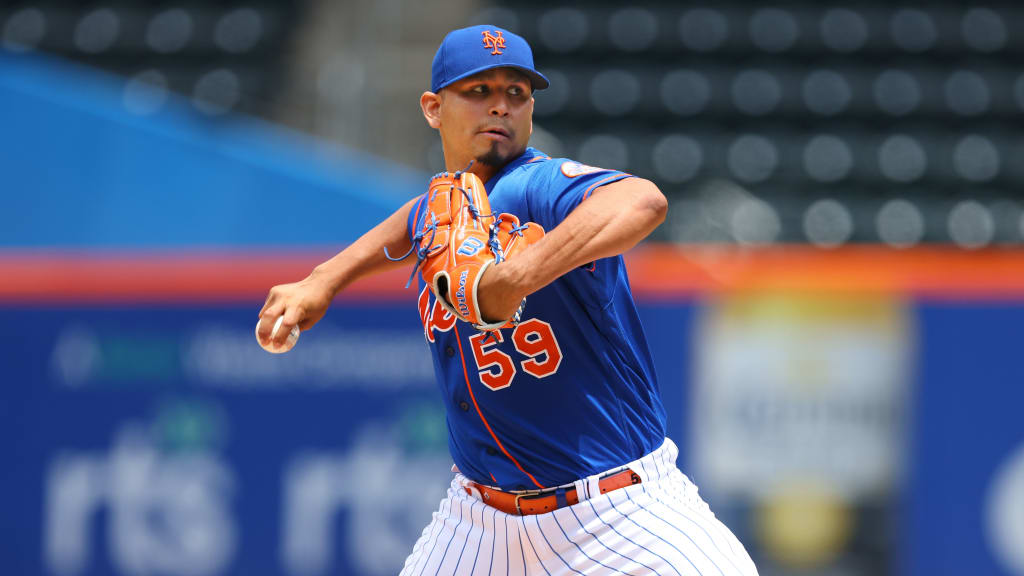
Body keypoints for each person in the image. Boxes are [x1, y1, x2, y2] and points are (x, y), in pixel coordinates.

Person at [258, 24, 758, 576]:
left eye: (516, 93)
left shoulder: (537, 186)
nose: (500, 106)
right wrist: (324, 278)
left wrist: (513, 277)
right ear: (433, 107)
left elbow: (642, 201)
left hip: (619, 511)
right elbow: (411, 222)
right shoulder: (449, 204)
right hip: (478, 523)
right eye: (478, 91)